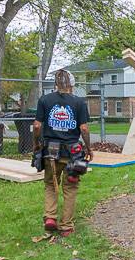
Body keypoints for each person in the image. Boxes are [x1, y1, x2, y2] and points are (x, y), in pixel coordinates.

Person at [33, 69, 93, 237]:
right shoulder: (79, 103)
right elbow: (84, 128)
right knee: (70, 187)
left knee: (51, 185)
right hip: (72, 153)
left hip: (50, 151)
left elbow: (37, 126)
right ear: (72, 86)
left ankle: (51, 217)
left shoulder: (44, 100)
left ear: (55, 84)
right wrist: (88, 148)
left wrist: (36, 144)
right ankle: (66, 227)